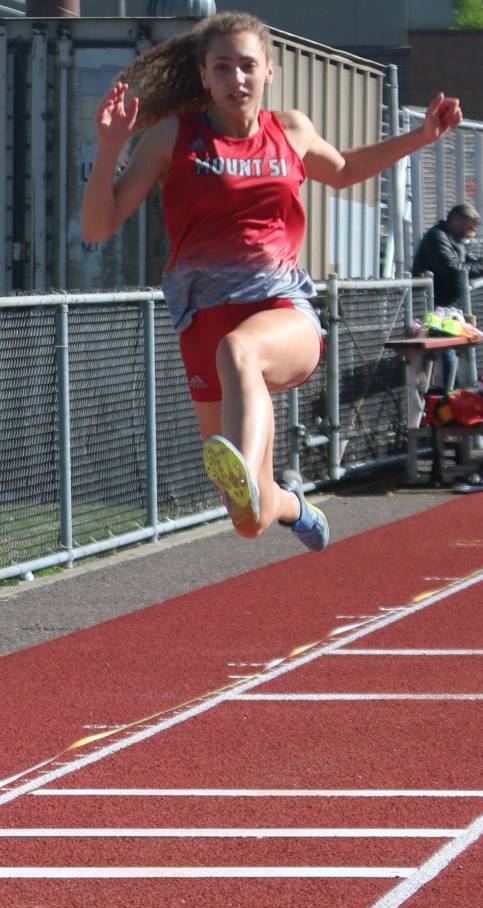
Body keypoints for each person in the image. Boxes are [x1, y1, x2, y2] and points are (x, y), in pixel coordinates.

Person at [81, 10, 463, 550]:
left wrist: (421, 136)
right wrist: (106, 149)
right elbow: (97, 228)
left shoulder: (291, 130)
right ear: (204, 75)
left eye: (246, 66)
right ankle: (290, 502)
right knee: (249, 516)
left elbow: (347, 169)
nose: (236, 78)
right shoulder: (172, 138)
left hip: (282, 311)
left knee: (240, 351)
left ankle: (247, 465)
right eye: (222, 67)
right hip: (201, 320)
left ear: (269, 72)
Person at [412, 202, 482, 387]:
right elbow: (452, 268)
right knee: (447, 354)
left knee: (451, 353)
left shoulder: (455, 241)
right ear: (456, 220)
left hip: (445, 309)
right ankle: (445, 399)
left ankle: (449, 396)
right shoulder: (437, 237)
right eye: (469, 228)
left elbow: (469, 263)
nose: (471, 233)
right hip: (430, 309)